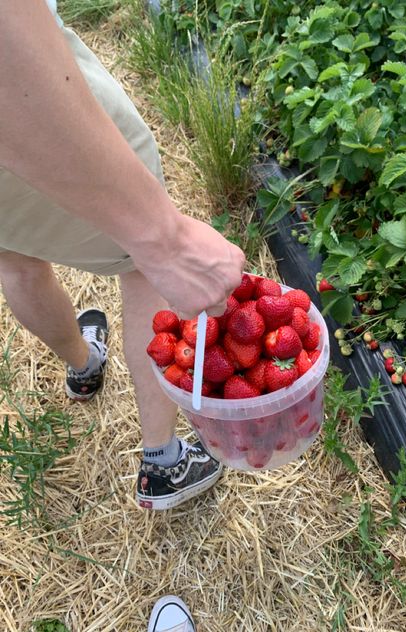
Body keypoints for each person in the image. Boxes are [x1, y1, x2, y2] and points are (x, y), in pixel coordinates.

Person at [0, 2, 245, 510]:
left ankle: (85, 365)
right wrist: (165, 239)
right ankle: (164, 463)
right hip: (29, 93)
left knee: (15, 260)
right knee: (142, 265)